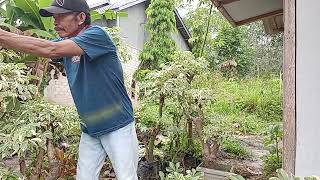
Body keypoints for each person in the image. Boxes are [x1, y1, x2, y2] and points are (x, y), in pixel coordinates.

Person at [0, 0, 139, 179]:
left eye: (61, 15)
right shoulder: (65, 42)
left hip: (117, 126)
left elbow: (50, 49)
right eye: (54, 16)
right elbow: (40, 46)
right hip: (90, 128)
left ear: (81, 17)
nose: (55, 21)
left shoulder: (97, 34)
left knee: (126, 177)